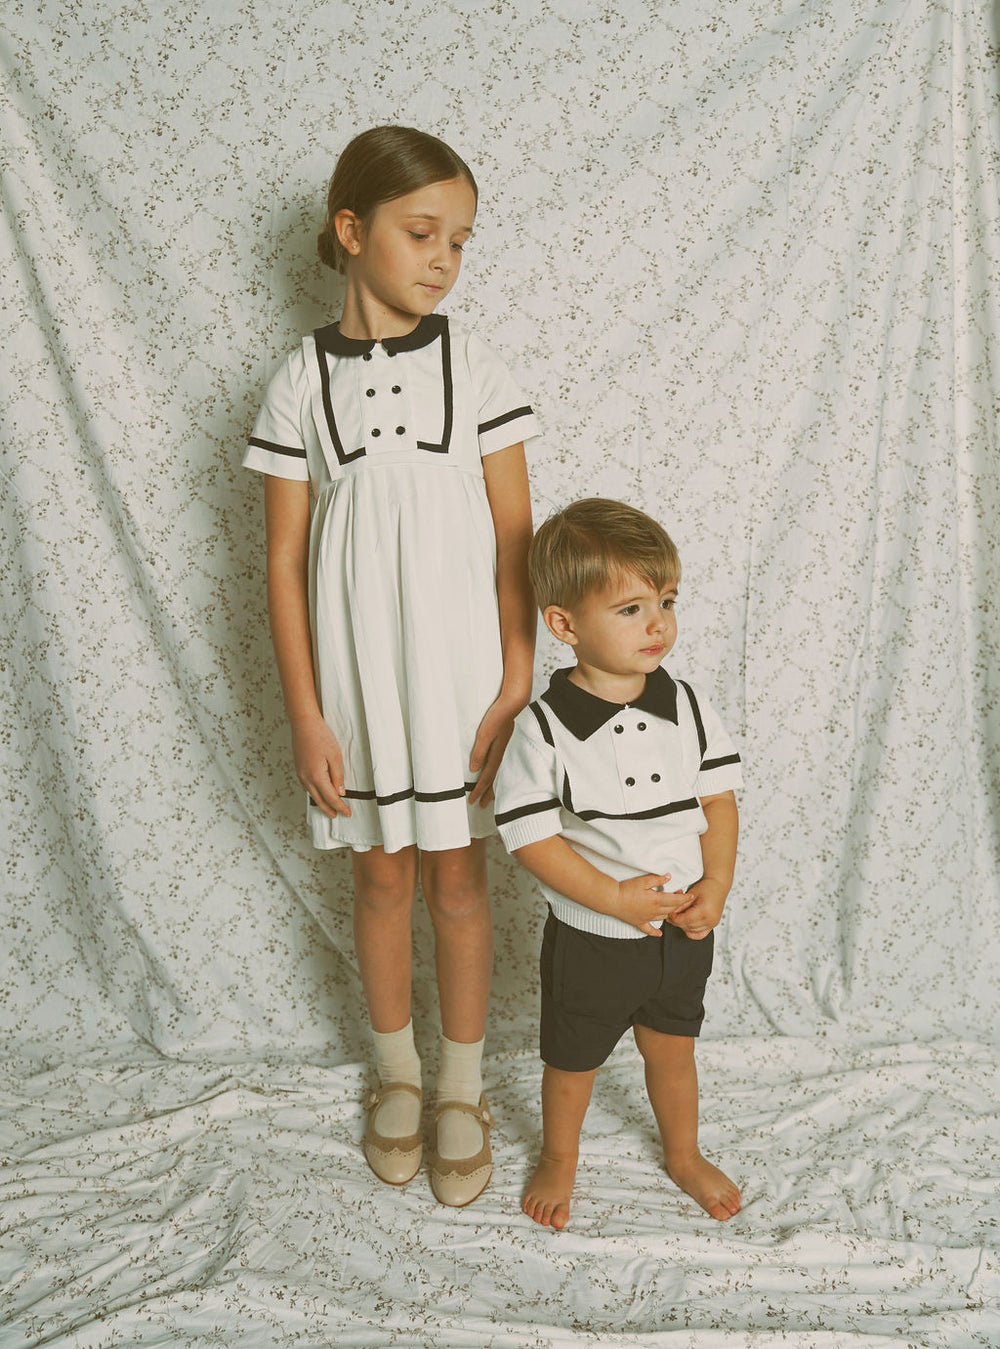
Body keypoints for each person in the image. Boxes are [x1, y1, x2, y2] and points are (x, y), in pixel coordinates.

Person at [243, 126, 537, 1207]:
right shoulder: (298, 382)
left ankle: (462, 1085)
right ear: (352, 229)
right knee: (379, 873)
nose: (443, 258)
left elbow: (515, 539)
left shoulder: (477, 368)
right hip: (357, 681)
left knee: (457, 877)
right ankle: (398, 1074)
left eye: (460, 240)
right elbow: (282, 561)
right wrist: (305, 713)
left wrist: (515, 680)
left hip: (462, 678)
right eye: (422, 233)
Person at [493, 498, 742, 1229]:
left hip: (682, 930)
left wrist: (716, 884)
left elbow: (718, 800)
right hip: (593, 939)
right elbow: (530, 837)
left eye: (666, 601)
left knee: (673, 1052)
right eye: (631, 609)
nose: (657, 623)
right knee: (573, 1063)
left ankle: (684, 1153)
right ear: (564, 625)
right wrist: (611, 897)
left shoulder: (688, 705)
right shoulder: (542, 728)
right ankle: (559, 1156)